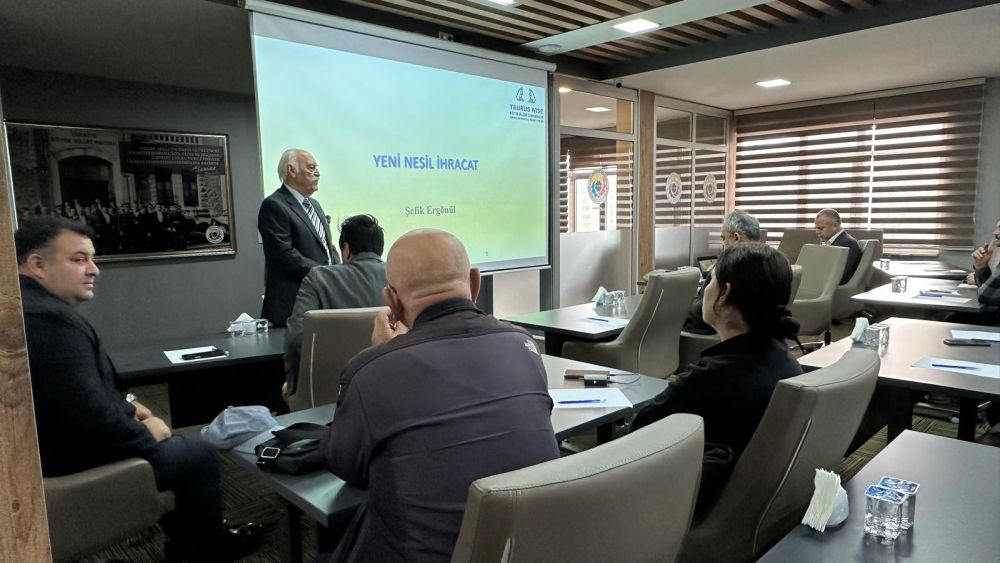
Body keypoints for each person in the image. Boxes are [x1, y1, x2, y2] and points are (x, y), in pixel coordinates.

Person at [15, 217, 259, 562]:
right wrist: (146, 434)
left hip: (50, 451)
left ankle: (184, 541)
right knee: (198, 453)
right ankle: (207, 550)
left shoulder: (25, 307)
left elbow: (76, 393)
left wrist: (129, 405)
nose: (94, 270)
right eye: (79, 259)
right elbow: (90, 419)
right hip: (72, 465)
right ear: (37, 264)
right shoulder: (49, 321)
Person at [320, 229, 559, 563]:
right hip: (528, 548)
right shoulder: (524, 345)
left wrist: (382, 356)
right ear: (474, 282)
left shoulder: (372, 369)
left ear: (392, 300)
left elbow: (346, 466)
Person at [632, 243, 803, 510]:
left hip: (684, 504)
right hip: (758, 502)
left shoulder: (711, 377)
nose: (704, 290)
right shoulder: (784, 358)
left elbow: (638, 428)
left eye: (710, 281)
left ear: (724, 294)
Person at [283, 214, 388, 398]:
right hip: (388, 390)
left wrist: (295, 389)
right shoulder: (399, 277)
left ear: (345, 249)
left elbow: (297, 339)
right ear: (380, 248)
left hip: (327, 397)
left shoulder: (318, 278)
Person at [258, 148, 339, 326]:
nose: (317, 173)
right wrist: (326, 274)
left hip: (323, 300)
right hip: (292, 305)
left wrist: (337, 270)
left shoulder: (315, 205)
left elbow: (327, 246)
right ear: (291, 170)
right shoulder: (274, 205)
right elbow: (283, 254)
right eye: (311, 167)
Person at [685, 209, 761, 335]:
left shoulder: (728, 267)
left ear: (736, 237)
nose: (723, 243)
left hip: (709, 330)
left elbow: (706, 310)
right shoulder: (769, 265)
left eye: (724, 238)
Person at [814, 208, 862, 285]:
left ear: (835, 225)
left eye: (821, 228)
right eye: (816, 228)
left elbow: (836, 276)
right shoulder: (837, 242)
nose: (817, 232)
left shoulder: (847, 243)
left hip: (833, 288)